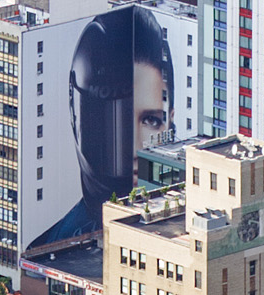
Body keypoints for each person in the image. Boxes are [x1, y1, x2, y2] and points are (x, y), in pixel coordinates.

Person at [31, 8, 173, 252]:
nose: (132, 144)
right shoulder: (44, 250)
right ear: (75, 114)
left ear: (171, 121)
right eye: (111, 115)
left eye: (150, 119)